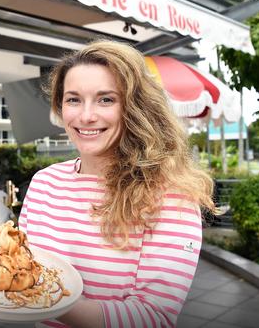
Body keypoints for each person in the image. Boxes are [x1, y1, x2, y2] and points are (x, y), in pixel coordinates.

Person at [18, 41, 214, 328]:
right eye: (73, 99)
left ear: (134, 107)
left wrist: (43, 301)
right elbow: (22, 265)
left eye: (106, 99)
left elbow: (154, 317)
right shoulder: (44, 182)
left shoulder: (172, 195)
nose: (86, 115)